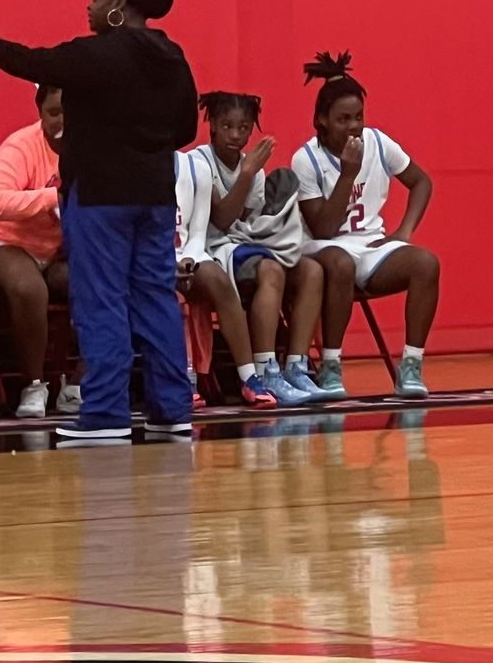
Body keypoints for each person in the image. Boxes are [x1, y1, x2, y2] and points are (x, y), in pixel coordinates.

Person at [0, 0, 198, 441]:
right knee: (156, 297)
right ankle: (171, 410)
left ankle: (106, 414)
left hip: (100, 198)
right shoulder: (172, 56)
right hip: (154, 196)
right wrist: (140, 146)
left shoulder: (97, 55)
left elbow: (27, 61)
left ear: (119, 3)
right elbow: (186, 129)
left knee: (102, 300)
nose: (88, 7)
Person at [295, 52, 440, 399]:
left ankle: (411, 366)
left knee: (426, 263)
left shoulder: (377, 142)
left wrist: (403, 232)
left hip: (371, 247)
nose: (353, 126)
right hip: (322, 249)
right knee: (342, 263)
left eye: (358, 117)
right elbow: (324, 229)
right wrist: (347, 173)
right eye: (343, 119)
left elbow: (421, 182)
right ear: (322, 121)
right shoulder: (306, 159)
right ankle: (331, 365)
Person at [195, 91, 330, 404]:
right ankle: (265, 369)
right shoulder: (199, 162)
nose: (236, 134)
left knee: (310, 269)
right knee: (270, 269)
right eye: (227, 126)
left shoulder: (251, 168)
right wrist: (247, 174)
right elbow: (222, 219)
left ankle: (296, 366)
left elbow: (245, 222)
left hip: (240, 244)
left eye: (243, 127)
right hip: (208, 248)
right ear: (212, 124)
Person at [0, 84, 74, 418]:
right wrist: (50, 199)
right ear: (40, 113)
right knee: (29, 288)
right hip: (7, 241)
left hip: (60, 248)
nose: (63, 119)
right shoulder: (22, 145)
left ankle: (78, 384)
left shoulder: (96, 145)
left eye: (70, 110)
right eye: (53, 112)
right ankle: (34, 386)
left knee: (107, 280)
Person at [173, 146, 275, 409]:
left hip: (187, 253)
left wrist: (189, 257)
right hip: (149, 258)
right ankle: (182, 380)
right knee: (166, 294)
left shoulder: (196, 169)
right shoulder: (134, 167)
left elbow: (198, 232)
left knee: (219, 281)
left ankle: (249, 377)